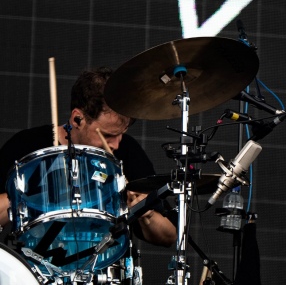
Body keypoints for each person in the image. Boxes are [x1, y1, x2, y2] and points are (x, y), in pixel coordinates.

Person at [0, 67, 176, 248]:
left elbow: (169, 235)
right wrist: (30, 192)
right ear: (77, 119)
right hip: (34, 268)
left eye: (121, 134)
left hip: (103, 268)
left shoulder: (127, 151)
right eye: (107, 136)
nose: (115, 144)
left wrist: (146, 214)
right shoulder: (27, 145)